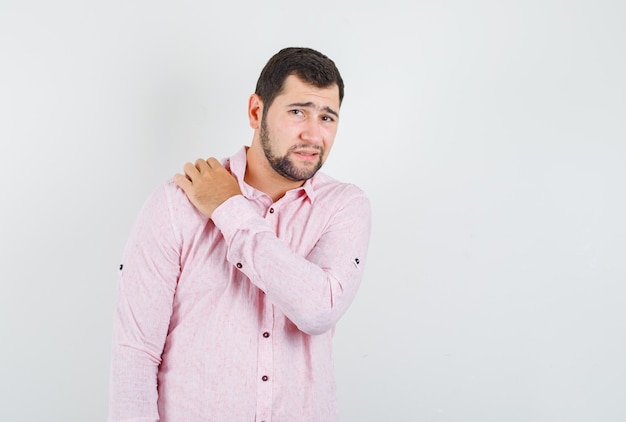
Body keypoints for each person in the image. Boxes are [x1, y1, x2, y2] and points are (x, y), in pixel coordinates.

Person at [108, 47, 372, 422]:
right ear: (256, 111)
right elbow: (135, 350)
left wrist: (228, 209)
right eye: (297, 111)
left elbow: (319, 309)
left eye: (327, 117)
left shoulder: (344, 206)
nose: (313, 135)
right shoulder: (176, 203)